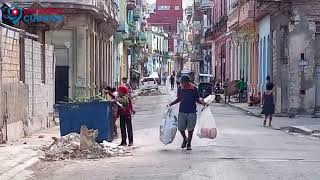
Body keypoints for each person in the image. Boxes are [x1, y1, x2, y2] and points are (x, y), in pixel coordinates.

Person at [168, 75, 207, 151]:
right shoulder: (180, 88)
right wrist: (171, 103)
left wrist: (203, 103)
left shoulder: (194, 89)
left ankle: (189, 143)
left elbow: (197, 99)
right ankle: (185, 138)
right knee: (180, 128)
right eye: (181, 82)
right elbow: (179, 98)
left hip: (192, 111)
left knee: (190, 129)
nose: (181, 83)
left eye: (183, 82)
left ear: (187, 82)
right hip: (182, 111)